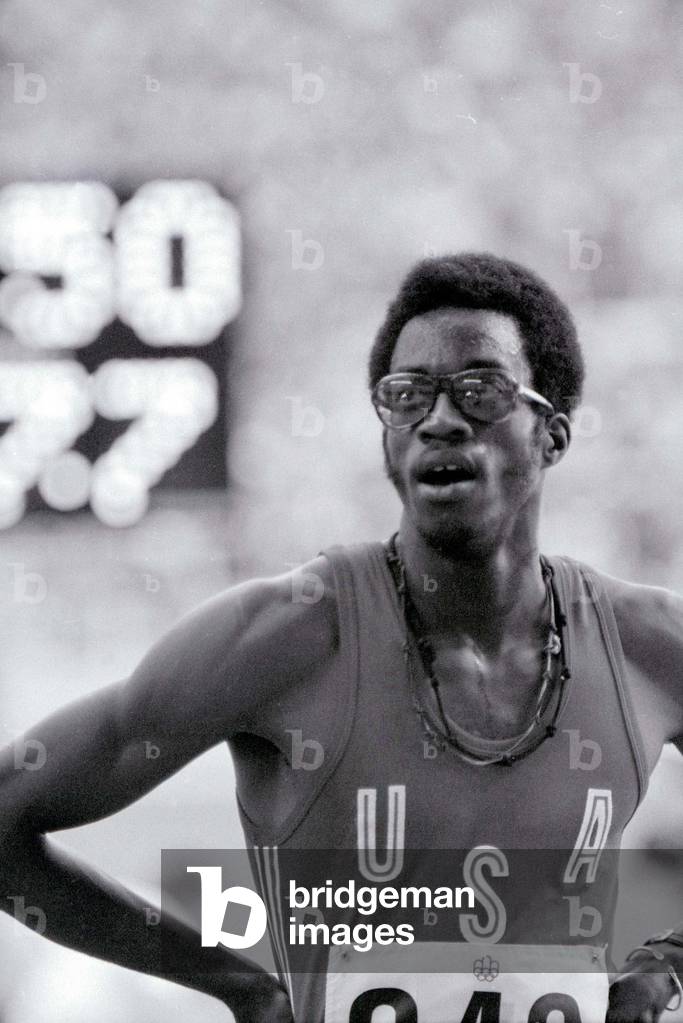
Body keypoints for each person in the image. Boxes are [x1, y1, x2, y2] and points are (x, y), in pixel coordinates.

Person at [1, 253, 682, 1023]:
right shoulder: (282, 636)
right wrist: (237, 984)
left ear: (551, 435)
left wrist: (668, 965)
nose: (439, 417)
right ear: (387, 437)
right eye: (406, 395)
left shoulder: (644, 645)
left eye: (480, 389)